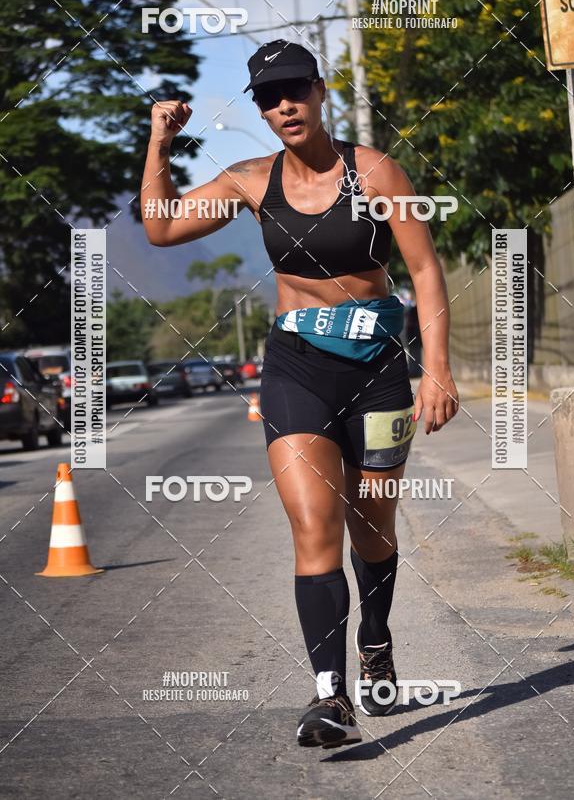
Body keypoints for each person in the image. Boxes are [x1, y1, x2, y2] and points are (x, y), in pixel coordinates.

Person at [140, 39, 459, 750]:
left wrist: (435, 369)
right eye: (266, 96)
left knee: (372, 529)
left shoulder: (373, 170)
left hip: (377, 368)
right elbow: (160, 226)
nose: (281, 104)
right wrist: (159, 141)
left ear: (319, 92)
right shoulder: (251, 180)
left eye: (293, 90)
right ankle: (329, 697)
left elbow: (425, 272)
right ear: (259, 108)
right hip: (295, 368)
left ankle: (375, 640)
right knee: (314, 527)